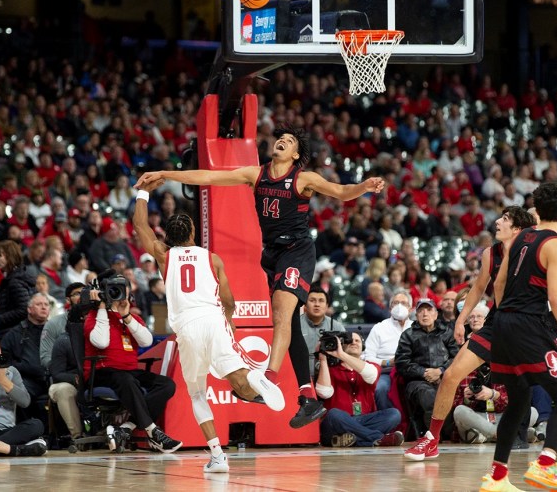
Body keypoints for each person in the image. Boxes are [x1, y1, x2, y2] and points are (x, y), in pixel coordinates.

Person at [135, 124, 385, 428]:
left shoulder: (303, 178)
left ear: (295, 154)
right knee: (289, 322)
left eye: (289, 141)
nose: (282, 141)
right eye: (281, 137)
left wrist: (365, 186)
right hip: (273, 256)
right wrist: (167, 175)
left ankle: (269, 378)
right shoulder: (256, 173)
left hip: (297, 251)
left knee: (280, 314)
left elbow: (341, 192)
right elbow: (209, 177)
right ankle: (307, 399)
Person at [133, 182, 284, 472]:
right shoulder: (212, 259)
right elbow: (229, 302)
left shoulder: (164, 256)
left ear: (169, 236)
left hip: (186, 327)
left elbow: (140, 225)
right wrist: (229, 326)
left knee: (197, 394)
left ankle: (217, 456)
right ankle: (257, 379)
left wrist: (142, 191)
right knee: (239, 380)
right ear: (192, 233)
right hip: (213, 320)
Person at [479, 183, 557, 492]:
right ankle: (546, 464)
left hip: (503, 322)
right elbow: (556, 299)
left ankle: (496, 478)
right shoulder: (556, 244)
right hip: (529, 324)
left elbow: (500, 282)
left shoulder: (519, 238)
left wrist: (506, 310)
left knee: (518, 400)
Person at [405, 206, 536, 461]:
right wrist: (460, 320)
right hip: (495, 324)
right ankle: (431, 440)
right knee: (451, 375)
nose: (497, 221)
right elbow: (477, 288)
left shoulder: (532, 253)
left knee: (553, 386)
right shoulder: (490, 253)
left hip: (524, 326)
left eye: (505, 219)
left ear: (518, 229)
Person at [85, 283, 181, 454]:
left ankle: (126, 428)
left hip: (129, 371)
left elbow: (147, 342)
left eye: (123, 292)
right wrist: (101, 309)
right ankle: (154, 432)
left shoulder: (132, 318)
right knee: (126, 379)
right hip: (102, 371)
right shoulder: (94, 316)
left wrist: (126, 316)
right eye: (115, 291)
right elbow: (101, 342)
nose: (120, 296)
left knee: (167, 384)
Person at [315, 332, 403, 448]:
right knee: (333, 414)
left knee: (394, 414)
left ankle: (346, 439)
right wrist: (323, 360)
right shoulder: (331, 369)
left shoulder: (372, 366)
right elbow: (324, 393)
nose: (353, 342)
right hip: (338, 421)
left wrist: (341, 355)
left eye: (357, 340)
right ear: (341, 345)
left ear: (363, 347)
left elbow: (370, 375)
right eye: (349, 341)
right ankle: (379, 438)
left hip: (364, 419)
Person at [394, 298, 459, 435]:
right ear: (416, 315)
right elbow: (402, 363)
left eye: (429, 310)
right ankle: (435, 436)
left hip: (444, 377)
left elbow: (456, 358)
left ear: (436, 314)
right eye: (421, 311)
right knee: (430, 396)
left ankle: (445, 433)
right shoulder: (408, 335)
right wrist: (424, 372)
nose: (425, 314)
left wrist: (440, 371)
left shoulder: (446, 333)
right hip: (417, 381)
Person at [0, 293, 50, 426]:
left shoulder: (55, 330)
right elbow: (3, 358)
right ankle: (24, 431)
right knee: (19, 392)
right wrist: (19, 366)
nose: (43, 307)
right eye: (39, 304)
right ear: (29, 309)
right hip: (27, 380)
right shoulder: (15, 333)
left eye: (46, 304)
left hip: (53, 377)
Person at [362, 290, 412, 411]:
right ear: (390, 308)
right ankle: (389, 421)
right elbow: (365, 356)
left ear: (410, 308)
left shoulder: (415, 327)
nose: (399, 306)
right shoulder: (379, 328)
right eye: (396, 303)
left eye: (404, 303)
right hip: (387, 372)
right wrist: (387, 362)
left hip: (411, 370)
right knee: (381, 388)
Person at [0, 240, 36, 340]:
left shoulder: (15, 281)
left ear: (9, 256)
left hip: (12, 337)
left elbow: (24, 309)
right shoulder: (15, 278)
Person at [300, 285, 346, 380]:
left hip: (330, 376)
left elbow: (345, 355)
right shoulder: (295, 325)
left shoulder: (337, 327)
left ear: (327, 306)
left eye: (321, 301)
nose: (317, 304)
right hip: (300, 376)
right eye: (312, 300)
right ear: (304, 304)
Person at [40, 282, 85, 371]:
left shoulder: (97, 320)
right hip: (66, 373)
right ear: (68, 300)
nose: (82, 296)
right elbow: (45, 357)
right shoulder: (54, 323)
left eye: (85, 293)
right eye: (77, 294)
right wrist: (61, 370)